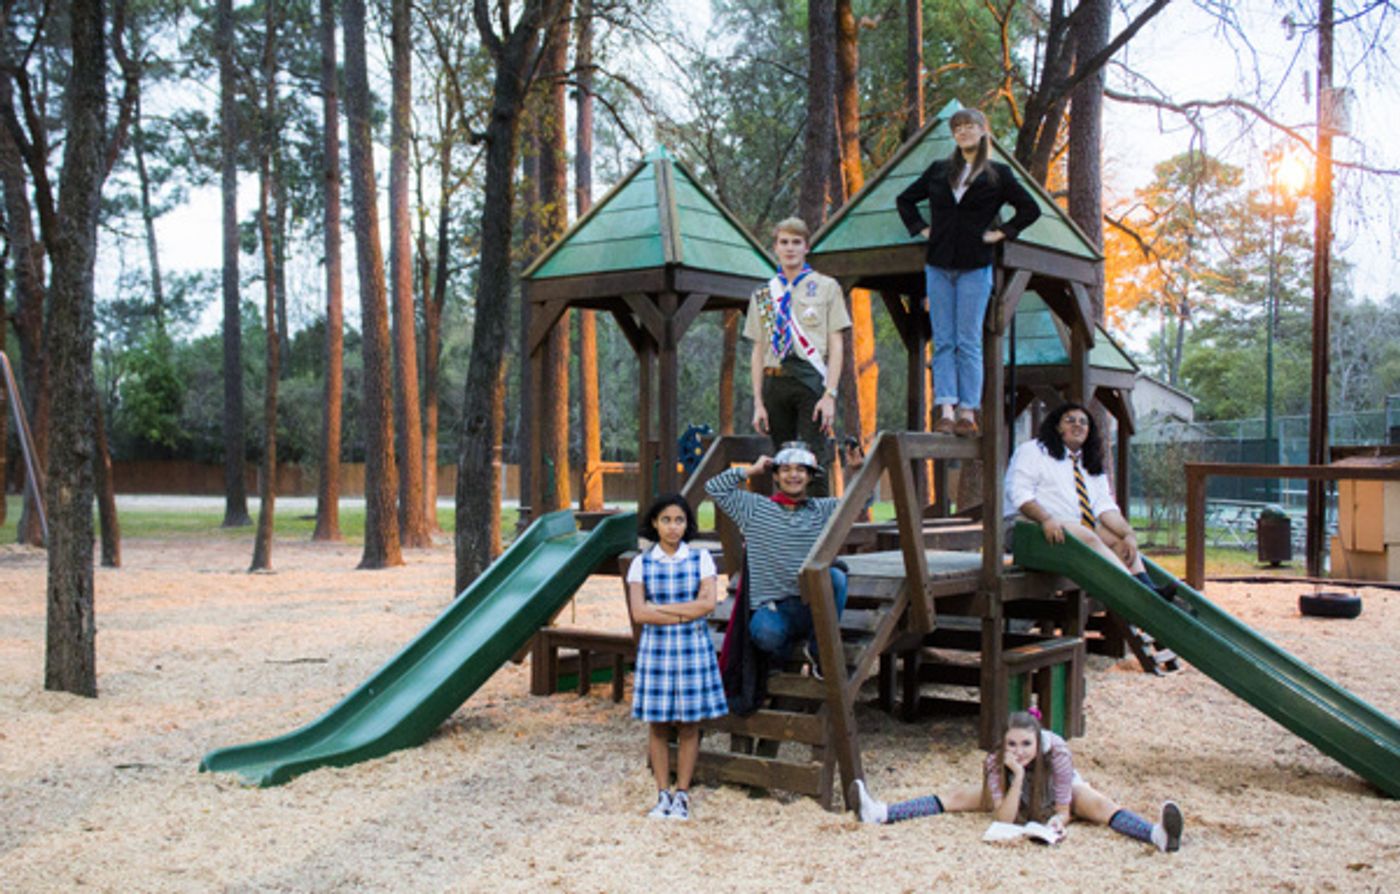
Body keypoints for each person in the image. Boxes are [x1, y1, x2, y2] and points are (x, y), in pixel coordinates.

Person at [896, 107, 1041, 438]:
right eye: (957, 127)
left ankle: (967, 411)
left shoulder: (998, 174)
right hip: (938, 264)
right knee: (943, 340)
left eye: (969, 125)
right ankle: (946, 409)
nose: (963, 131)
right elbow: (905, 200)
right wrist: (921, 228)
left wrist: (1001, 233)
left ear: (983, 130)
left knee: (968, 340)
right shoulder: (939, 170)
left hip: (976, 265)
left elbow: (1030, 209)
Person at [852, 710, 1185, 853]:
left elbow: (1064, 808)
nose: (1019, 750)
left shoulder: (1058, 752)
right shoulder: (996, 762)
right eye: (1012, 743)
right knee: (958, 796)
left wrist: (1058, 820)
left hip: (1054, 788)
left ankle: (1156, 835)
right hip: (1017, 789)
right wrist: (1018, 776)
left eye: (1026, 744)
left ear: (1038, 742)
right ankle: (881, 813)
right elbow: (1003, 819)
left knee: (1097, 803)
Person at [705, 441, 862, 678]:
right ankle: (783, 654)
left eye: (800, 470)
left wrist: (857, 470)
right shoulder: (755, 508)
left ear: (810, 477)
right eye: (786, 469)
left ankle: (819, 652)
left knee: (836, 577)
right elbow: (714, 487)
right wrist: (753, 469)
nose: (793, 475)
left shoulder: (822, 509)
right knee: (766, 635)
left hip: (812, 605)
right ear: (775, 476)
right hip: (774, 608)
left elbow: (858, 502)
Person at [1004, 401, 1180, 603]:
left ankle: (1150, 589)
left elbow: (1105, 507)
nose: (1077, 425)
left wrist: (1128, 534)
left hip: (1071, 526)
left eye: (1083, 422)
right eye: (1070, 420)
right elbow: (1019, 494)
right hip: (1026, 526)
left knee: (1119, 540)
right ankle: (1140, 594)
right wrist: (1046, 519)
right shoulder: (1033, 451)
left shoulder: (1088, 461)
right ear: (1057, 426)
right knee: (1088, 536)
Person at [626, 494, 728, 821]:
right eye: (666, 520)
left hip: (692, 650)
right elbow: (639, 613)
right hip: (656, 650)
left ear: (687, 524)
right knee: (657, 724)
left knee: (689, 724)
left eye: (679, 520)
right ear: (655, 523)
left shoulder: (701, 559)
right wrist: (686, 612)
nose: (673, 527)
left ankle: (682, 793)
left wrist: (661, 609)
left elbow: (708, 604)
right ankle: (662, 793)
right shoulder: (641, 563)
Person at [744, 217, 852, 494]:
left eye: (796, 242)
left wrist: (830, 394)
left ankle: (819, 518)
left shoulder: (826, 287)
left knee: (812, 457)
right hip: (775, 379)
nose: (790, 248)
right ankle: (785, 517)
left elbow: (836, 344)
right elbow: (758, 350)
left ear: (806, 247)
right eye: (784, 242)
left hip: (810, 378)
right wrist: (758, 402)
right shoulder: (764, 294)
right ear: (775, 248)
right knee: (782, 459)